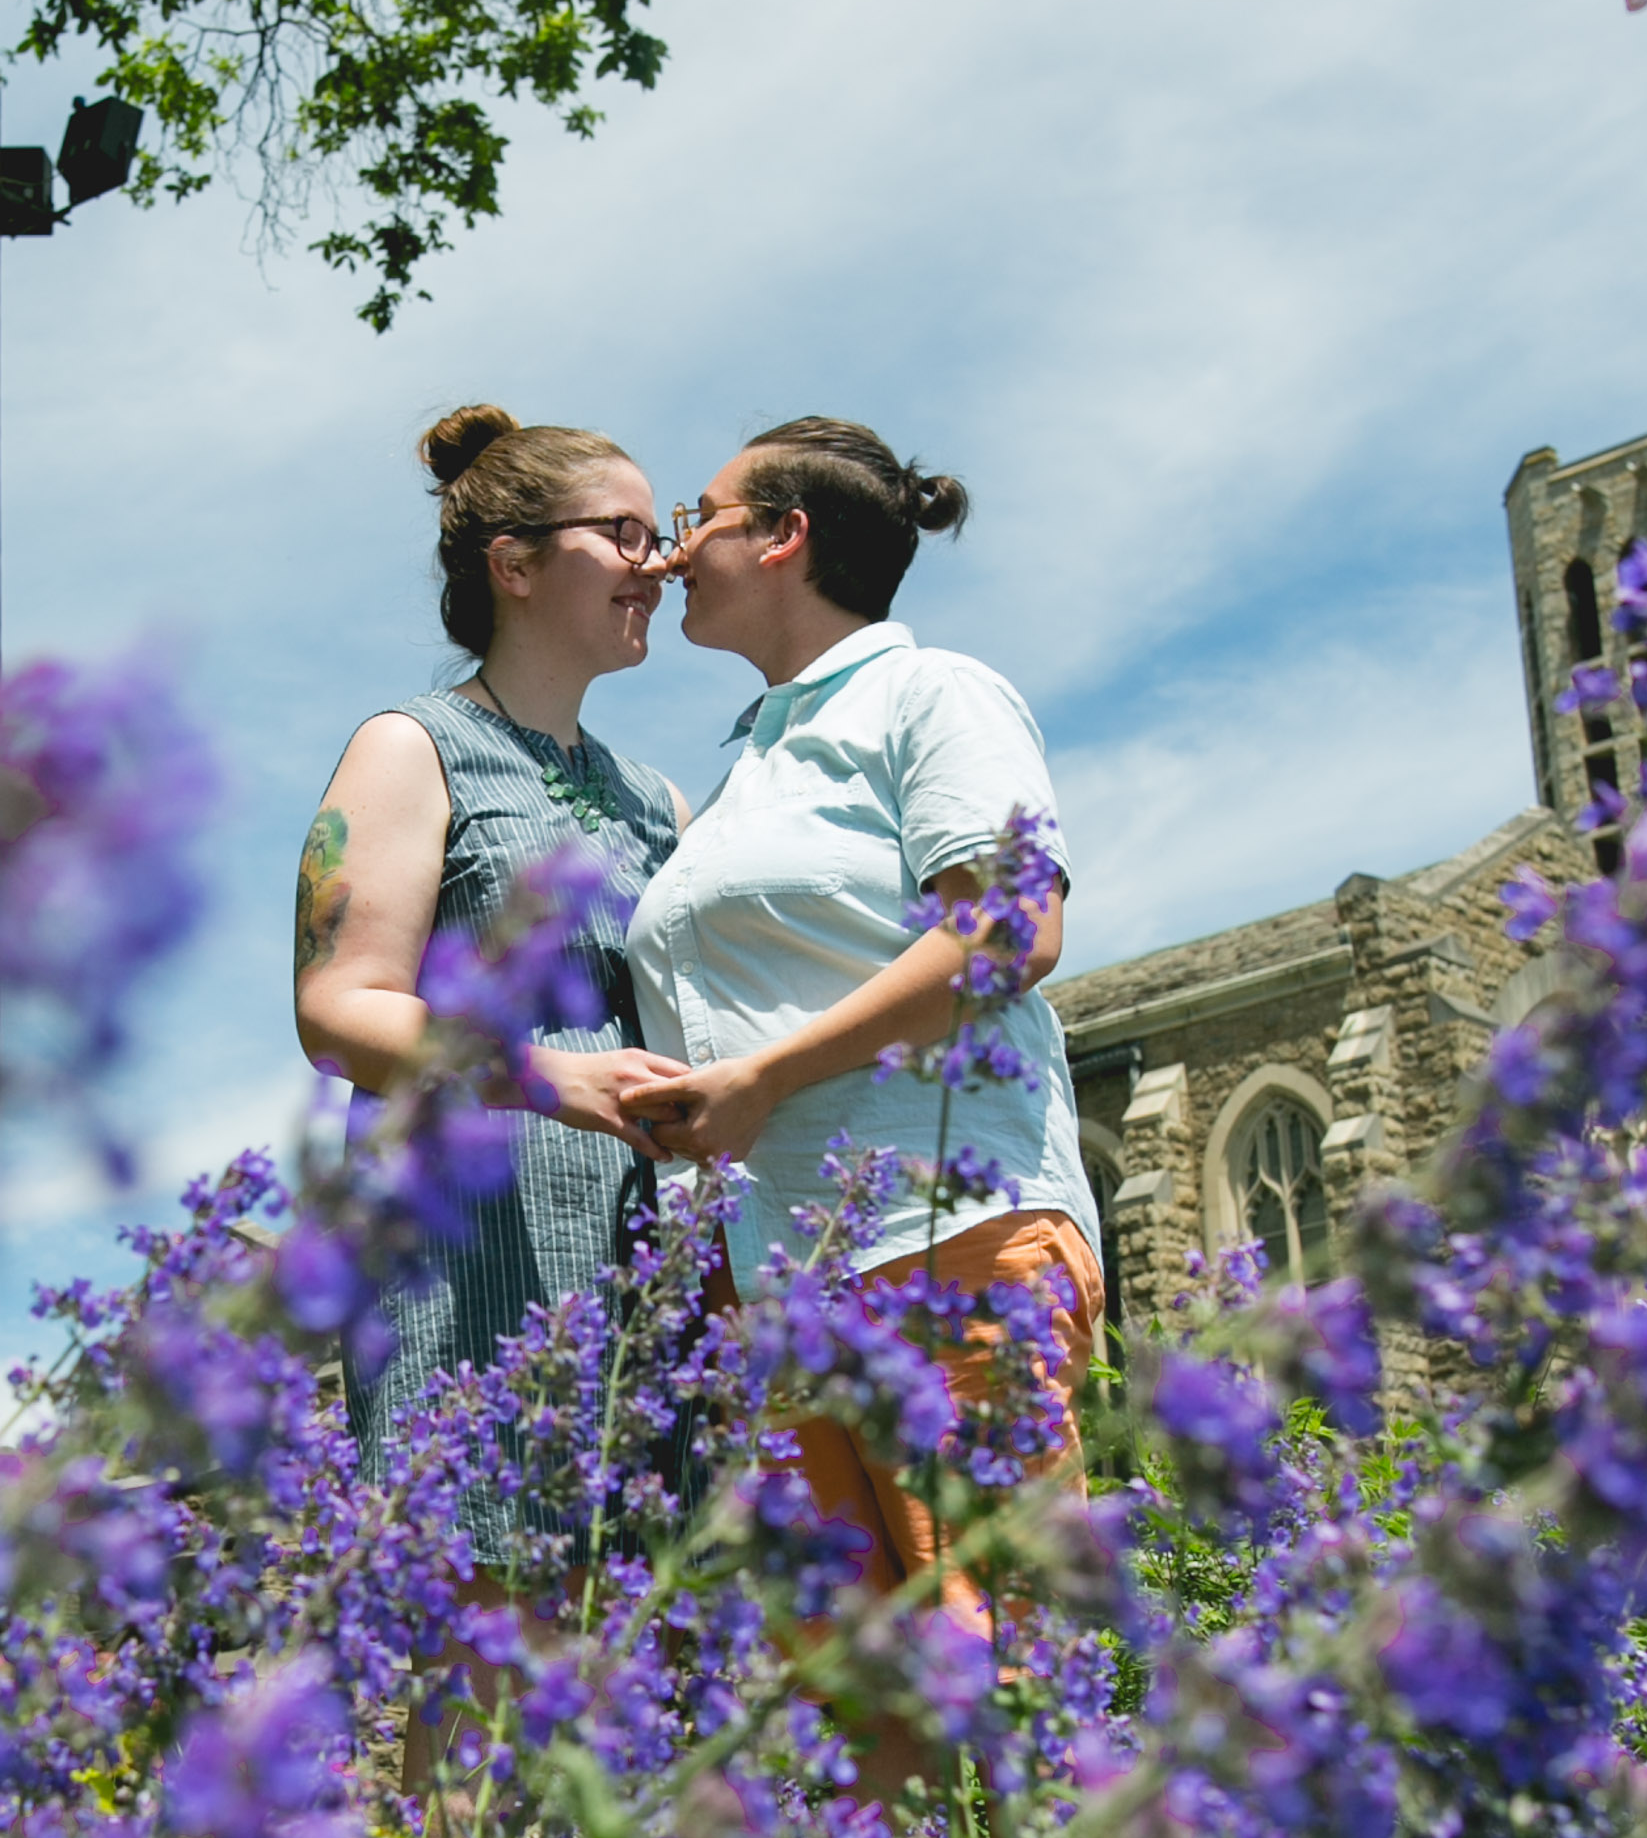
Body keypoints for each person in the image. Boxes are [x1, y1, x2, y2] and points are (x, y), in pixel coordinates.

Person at [618, 416, 1103, 1634]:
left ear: (786, 536)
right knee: (862, 1745)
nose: (675, 554)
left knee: (1010, 1678)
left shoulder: (928, 693)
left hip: (943, 1244)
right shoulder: (744, 771)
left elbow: (1008, 929)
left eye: (700, 520)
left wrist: (767, 1078)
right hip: (777, 1292)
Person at [291, 404, 692, 1729]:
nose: (663, 560)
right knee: (482, 1698)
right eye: (625, 534)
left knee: (633, 1683)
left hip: (643, 1263)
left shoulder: (656, 798)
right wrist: (553, 1079)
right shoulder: (413, 748)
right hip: (469, 1263)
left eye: (667, 530)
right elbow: (340, 1007)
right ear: (514, 565)